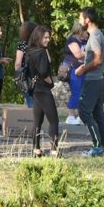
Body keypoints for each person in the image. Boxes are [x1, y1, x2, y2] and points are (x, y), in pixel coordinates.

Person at [76, 8, 104, 157]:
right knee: (97, 114)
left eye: (80, 18)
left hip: (93, 80)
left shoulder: (95, 35)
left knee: (83, 111)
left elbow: (97, 60)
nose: (79, 21)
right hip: (97, 79)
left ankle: (97, 147)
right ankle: (103, 146)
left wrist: (83, 69)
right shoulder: (97, 34)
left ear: (87, 19)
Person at [25, 26, 59, 156]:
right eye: (45, 37)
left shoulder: (30, 51)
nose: (48, 40)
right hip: (43, 89)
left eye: (48, 37)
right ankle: (54, 150)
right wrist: (51, 82)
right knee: (54, 120)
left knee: (37, 121)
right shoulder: (41, 53)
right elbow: (44, 73)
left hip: (35, 90)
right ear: (38, 38)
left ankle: (36, 149)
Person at [63, 22, 87, 125]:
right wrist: (91, 53)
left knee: (83, 93)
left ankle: (80, 116)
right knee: (76, 92)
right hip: (73, 69)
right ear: (79, 30)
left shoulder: (84, 41)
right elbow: (78, 54)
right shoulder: (72, 40)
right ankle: (71, 116)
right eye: (84, 30)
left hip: (83, 68)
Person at [14, 21, 37, 109]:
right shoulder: (38, 45)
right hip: (37, 76)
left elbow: (18, 63)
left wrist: (17, 77)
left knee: (30, 101)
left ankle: (33, 120)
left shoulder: (22, 45)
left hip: (26, 77)